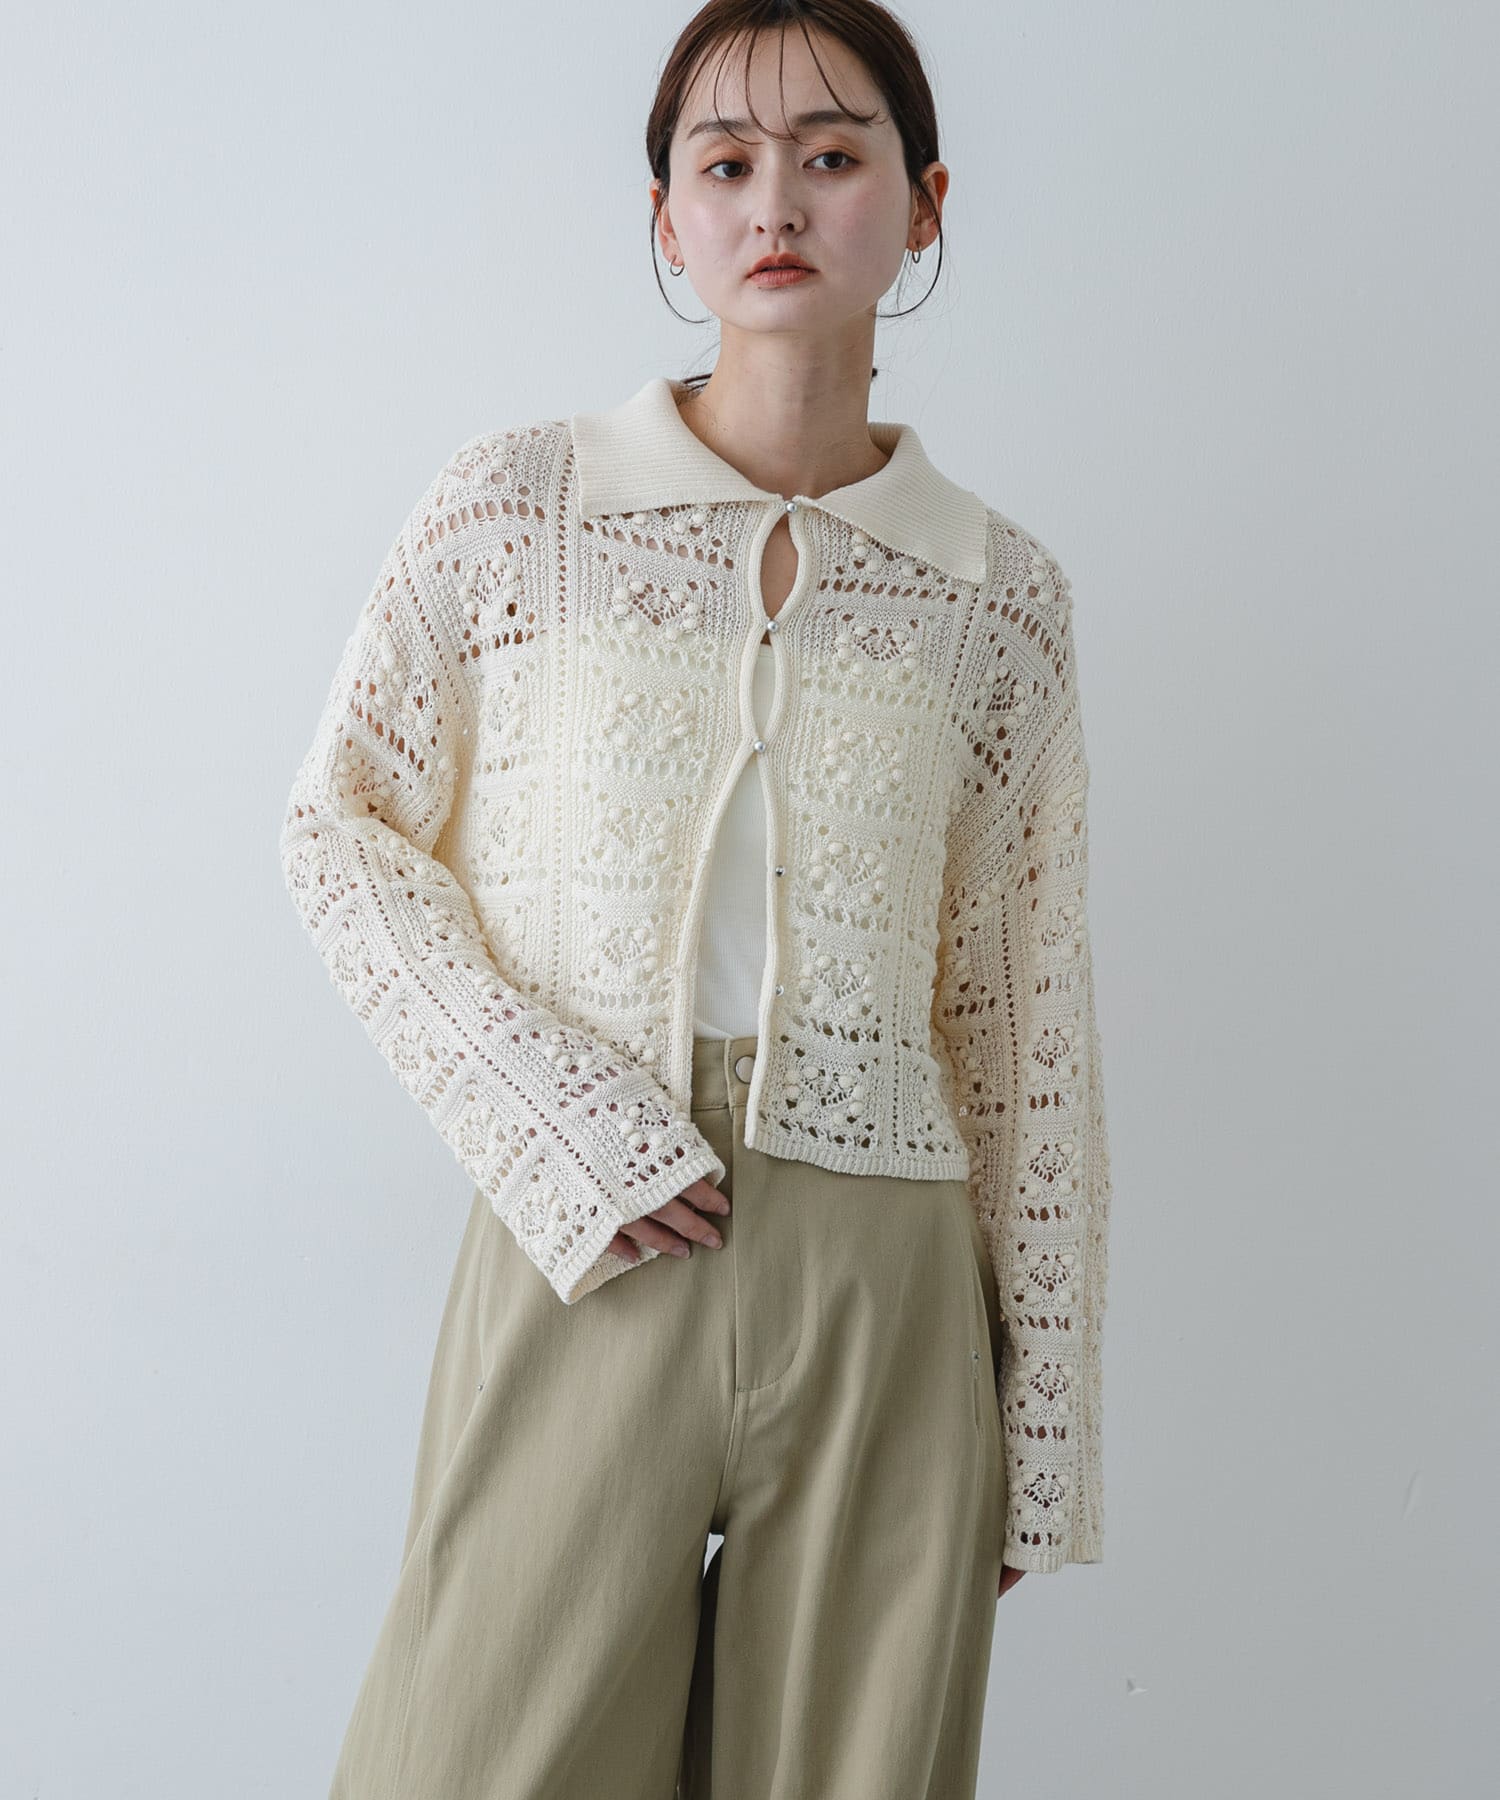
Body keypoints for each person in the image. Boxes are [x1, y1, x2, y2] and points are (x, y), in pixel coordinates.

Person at [278, 4, 1114, 1795]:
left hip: (888, 1281)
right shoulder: (520, 513)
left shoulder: (1001, 597)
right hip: (593, 1241)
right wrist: (555, 1120)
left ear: (924, 203)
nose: (776, 202)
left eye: (833, 155)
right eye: (724, 164)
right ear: (669, 220)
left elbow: (1023, 1022)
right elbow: (342, 836)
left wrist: (1041, 1424)